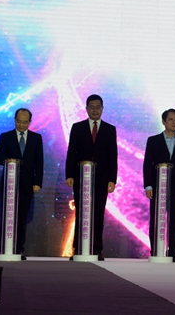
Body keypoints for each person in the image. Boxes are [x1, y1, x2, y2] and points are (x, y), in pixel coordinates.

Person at [65, 94, 118, 260]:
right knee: (81, 213)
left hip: (102, 179)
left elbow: (113, 156)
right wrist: (69, 174)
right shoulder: (77, 127)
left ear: (102, 109)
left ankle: (96, 249)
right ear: (86, 109)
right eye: (92, 107)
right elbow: (71, 152)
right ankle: (78, 248)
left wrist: (112, 179)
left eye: (98, 107)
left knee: (98, 214)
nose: (95, 110)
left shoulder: (110, 129)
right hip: (81, 179)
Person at [0, 108, 44, 260]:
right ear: (14, 120)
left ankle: (18, 249)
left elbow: (39, 162)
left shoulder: (36, 138)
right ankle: (2, 248)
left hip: (27, 185)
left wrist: (37, 182)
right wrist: (7, 161)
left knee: (22, 218)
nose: (21, 125)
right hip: (9, 184)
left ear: (29, 122)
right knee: (6, 217)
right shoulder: (6, 136)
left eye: (25, 122)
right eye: (19, 121)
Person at [143, 108, 175, 262]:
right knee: (156, 219)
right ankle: (155, 250)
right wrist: (148, 186)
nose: (174, 122)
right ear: (163, 122)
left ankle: (173, 253)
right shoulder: (153, 140)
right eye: (170, 119)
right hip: (157, 187)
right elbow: (147, 165)